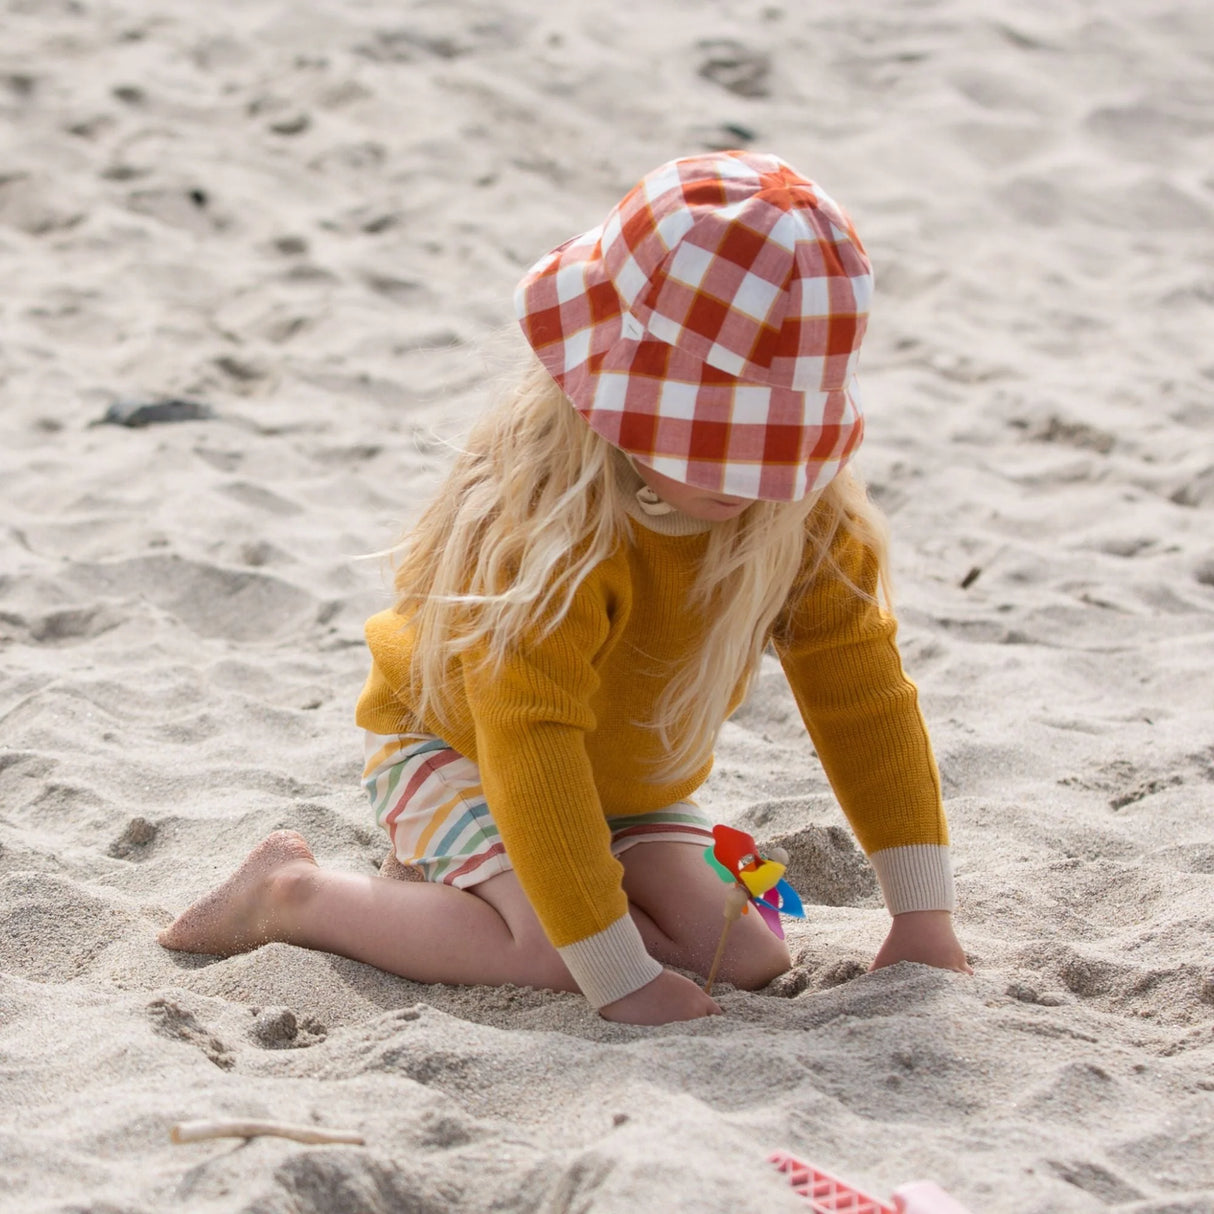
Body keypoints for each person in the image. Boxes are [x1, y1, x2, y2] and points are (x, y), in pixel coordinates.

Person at [159, 150, 969, 1025]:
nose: (744, 478)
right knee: (553, 956)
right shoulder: (551, 528)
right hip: (460, 752)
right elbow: (528, 738)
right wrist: (619, 979)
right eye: (710, 440)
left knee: (744, 952)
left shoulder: (799, 515)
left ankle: (465, 893)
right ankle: (291, 894)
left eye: (762, 445)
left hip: (631, 790)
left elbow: (863, 693)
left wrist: (921, 914)